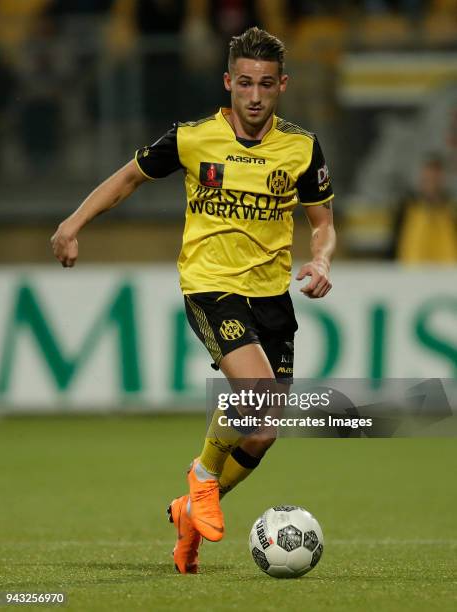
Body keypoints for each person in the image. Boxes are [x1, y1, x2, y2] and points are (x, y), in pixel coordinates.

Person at [51, 26, 336, 574]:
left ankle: (190, 518)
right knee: (253, 394)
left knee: (265, 430)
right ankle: (202, 479)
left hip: (272, 294)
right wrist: (73, 222)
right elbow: (129, 178)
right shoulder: (192, 137)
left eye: (267, 85)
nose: (255, 96)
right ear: (228, 82)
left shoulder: (301, 147)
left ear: (283, 86)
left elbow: (322, 222)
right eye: (245, 83)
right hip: (210, 285)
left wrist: (321, 260)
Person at [392, 154, 456, 262]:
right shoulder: (406, 208)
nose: (432, 180)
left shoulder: (452, 210)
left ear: (443, 179)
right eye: (428, 177)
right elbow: (395, 245)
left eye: (436, 177)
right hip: (411, 274)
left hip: (449, 275)